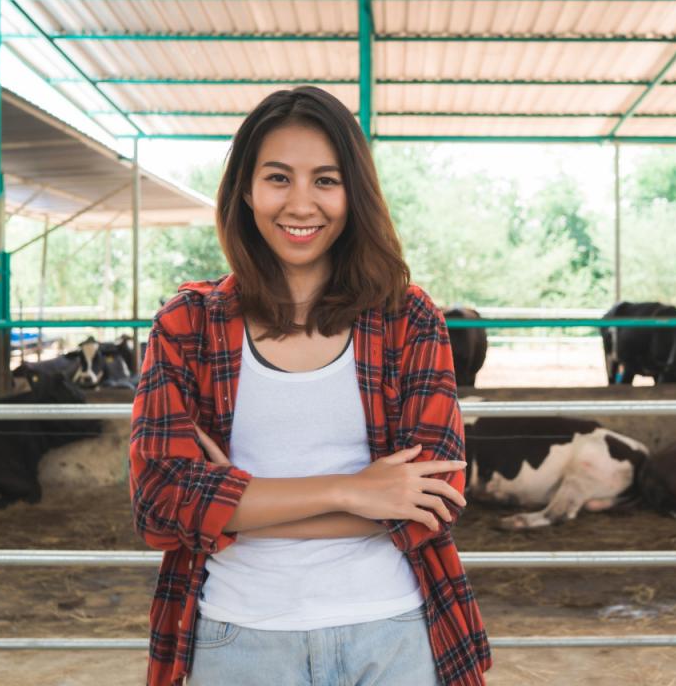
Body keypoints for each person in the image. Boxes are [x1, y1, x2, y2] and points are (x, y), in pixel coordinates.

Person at [129, 86, 490, 686]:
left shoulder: (408, 318)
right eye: (278, 178)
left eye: (326, 180)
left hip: (392, 631)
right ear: (245, 190)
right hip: (239, 635)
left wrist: (230, 506)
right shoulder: (187, 324)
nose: (301, 204)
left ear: (355, 192)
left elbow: (434, 501)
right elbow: (160, 506)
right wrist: (357, 491)